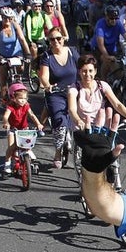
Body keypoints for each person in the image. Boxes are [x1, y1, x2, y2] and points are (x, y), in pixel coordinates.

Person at [38, 26, 79, 169]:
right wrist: (47, 85)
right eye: (52, 39)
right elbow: (43, 76)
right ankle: (57, 151)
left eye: (58, 38)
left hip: (74, 92)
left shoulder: (73, 52)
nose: (55, 41)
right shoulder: (47, 56)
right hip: (56, 93)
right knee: (59, 121)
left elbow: (82, 68)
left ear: (63, 38)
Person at [1, 83, 45, 174]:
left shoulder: (26, 106)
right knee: (12, 146)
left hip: (24, 128)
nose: (23, 101)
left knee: (28, 143)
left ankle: (28, 153)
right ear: (13, 98)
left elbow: (32, 115)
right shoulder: (11, 107)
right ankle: (7, 163)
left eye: (25, 98)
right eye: (20, 99)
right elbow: (5, 116)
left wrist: (38, 124)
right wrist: (6, 122)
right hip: (13, 129)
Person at [0, 7, 31, 103]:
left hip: (16, 53)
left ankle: (18, 83)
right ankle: (4, 98)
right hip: (3, 55)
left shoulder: (15, 26)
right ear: (2, 17)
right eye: (5, 18)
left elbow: (22, 39)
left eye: (10, 18)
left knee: (20, 68)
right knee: (3, 76)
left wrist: (28, 53)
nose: (8, 20)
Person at [91, 4, 126, 79]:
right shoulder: (100, 24)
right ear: (106, 17)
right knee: (108, 60)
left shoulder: (118, 23)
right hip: (98, 48)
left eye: (115, 18)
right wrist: (107, 56)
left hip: (112, 48)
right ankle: (103, 81)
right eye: (111, 18)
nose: (113, 20)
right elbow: (100, 44)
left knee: (119, 68)